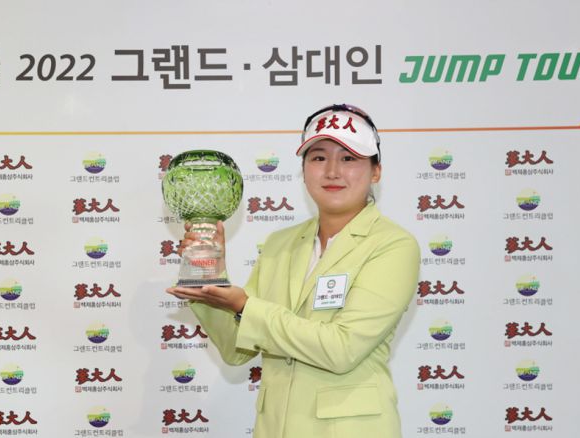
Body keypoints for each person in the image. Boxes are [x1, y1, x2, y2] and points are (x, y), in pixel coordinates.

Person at [166, 104, 420, 438]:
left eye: (348, 158)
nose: (332, 171)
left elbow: (341, 349)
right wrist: (209, 283)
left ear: (376, 172)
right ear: (303, 170)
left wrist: (245, 306)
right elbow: (236, 350)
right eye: (318, 158)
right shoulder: (280, 244)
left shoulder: (393, 245)